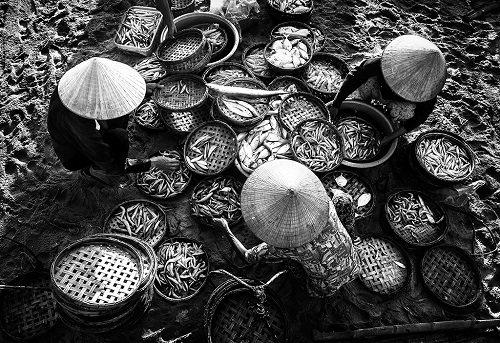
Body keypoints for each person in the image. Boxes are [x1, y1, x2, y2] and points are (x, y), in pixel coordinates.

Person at [213, 159, 360, 298]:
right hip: (355, 265)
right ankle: (351, 238)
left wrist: (225, 228)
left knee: (290, 262)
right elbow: (343, 198)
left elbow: (247, 257)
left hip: (326, 287)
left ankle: (309, 289)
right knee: (343, 200)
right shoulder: (326, 204)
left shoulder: (285, 246)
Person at [47, 57, 179, 186]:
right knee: (119, 138)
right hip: (76, 153)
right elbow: (106, 159)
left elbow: (114, 89)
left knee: (121, 111)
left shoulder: (78, 85)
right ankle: (96, 169)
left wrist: (143, 89)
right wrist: (152, 163)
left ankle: (109, 153)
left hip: (85, 133)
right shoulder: (78, 122)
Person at [329, 35, 447, 146]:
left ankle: (390, 119)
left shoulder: (428, 90)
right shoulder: (388, 63)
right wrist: (337, 103)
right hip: (379, 88)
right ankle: (364, 105)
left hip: (398, 102)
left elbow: (419, 118)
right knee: (363, 85)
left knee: (407, 113)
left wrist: (390, 137)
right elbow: (355, 76)